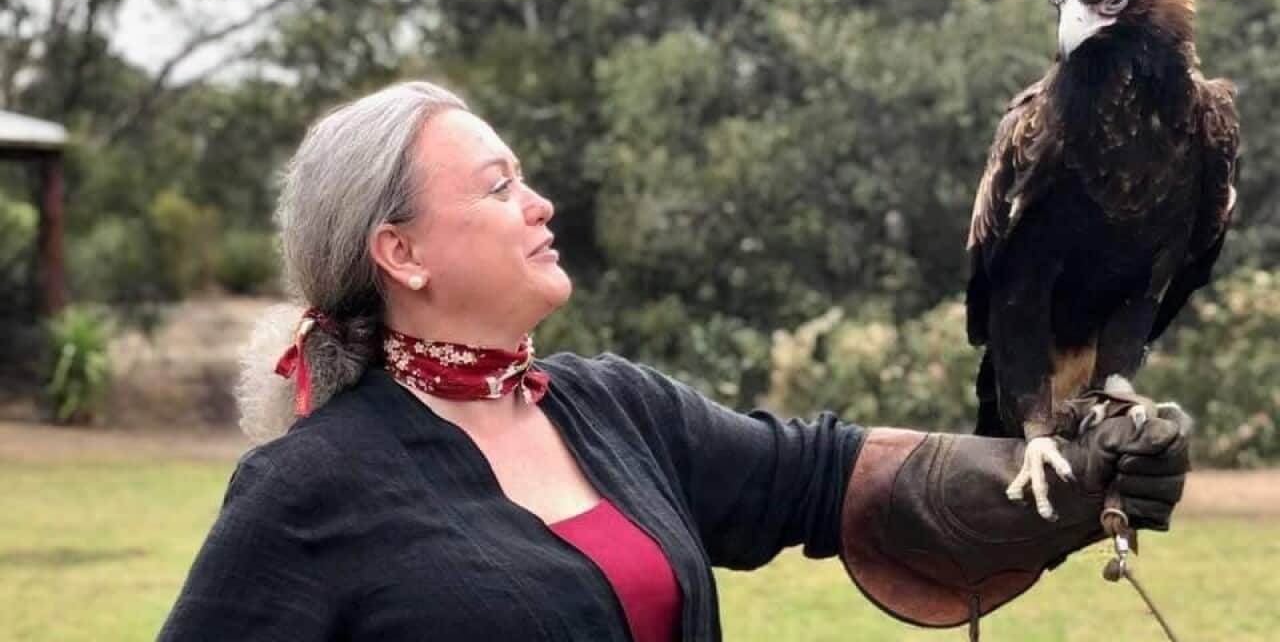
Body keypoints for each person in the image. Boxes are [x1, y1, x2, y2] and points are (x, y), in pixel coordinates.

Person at [158, 81, 1190, 641]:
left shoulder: (612, 410)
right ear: (401, 252)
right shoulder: (305, 490)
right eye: (496, 186)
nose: (539, 205)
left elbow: (825, 477)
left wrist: (1054, 476)